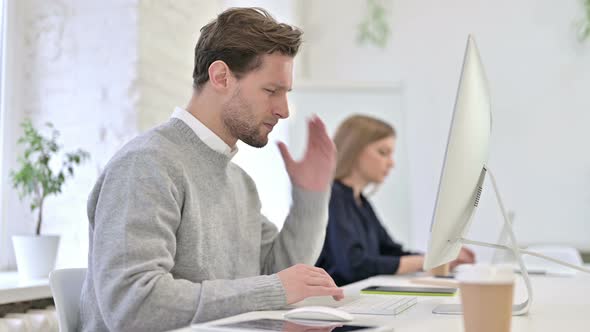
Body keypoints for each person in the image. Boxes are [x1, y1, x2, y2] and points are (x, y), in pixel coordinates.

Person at [79, 8, 343, 332]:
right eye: (271, 91)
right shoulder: (146, 165)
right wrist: (274, 292)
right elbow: (135, 305)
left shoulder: (239, 183)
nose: (284, 110)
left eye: (286, 93)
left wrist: (311, 196)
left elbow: (278, 274)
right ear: (221, 77)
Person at [315, 115, 475, 286]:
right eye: (383, 152)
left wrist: (439, 258)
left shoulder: (361, 202)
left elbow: (390, 251)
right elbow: (354, 265)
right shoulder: (333, 197)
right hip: (334, 301)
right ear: (354, 150)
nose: (391, 163)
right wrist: (426, 261)